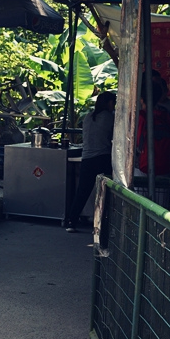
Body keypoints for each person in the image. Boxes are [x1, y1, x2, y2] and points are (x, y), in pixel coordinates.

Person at [64, 91, 116, 233]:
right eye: (113, 102)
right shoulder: (109, 117)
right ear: (109, 103)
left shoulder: (88, 117)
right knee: (106, 192)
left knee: (82, 192)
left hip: (87, 158)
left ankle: (71, 222)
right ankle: (102, 224)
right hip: (103, 157)